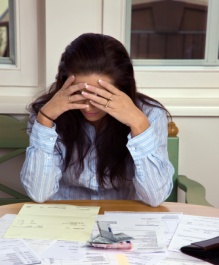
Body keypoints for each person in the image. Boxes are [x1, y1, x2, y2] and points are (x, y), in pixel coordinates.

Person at [20, 33, 174, 206]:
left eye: (99, 97)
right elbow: (39, 193)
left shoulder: (150, 114)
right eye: (79, 94)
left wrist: (138, 124)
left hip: (125, 220)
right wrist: (45, 120)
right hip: (66, 219)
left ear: (121, 87)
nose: (88, 106)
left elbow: (155, 197)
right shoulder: (47, 112)